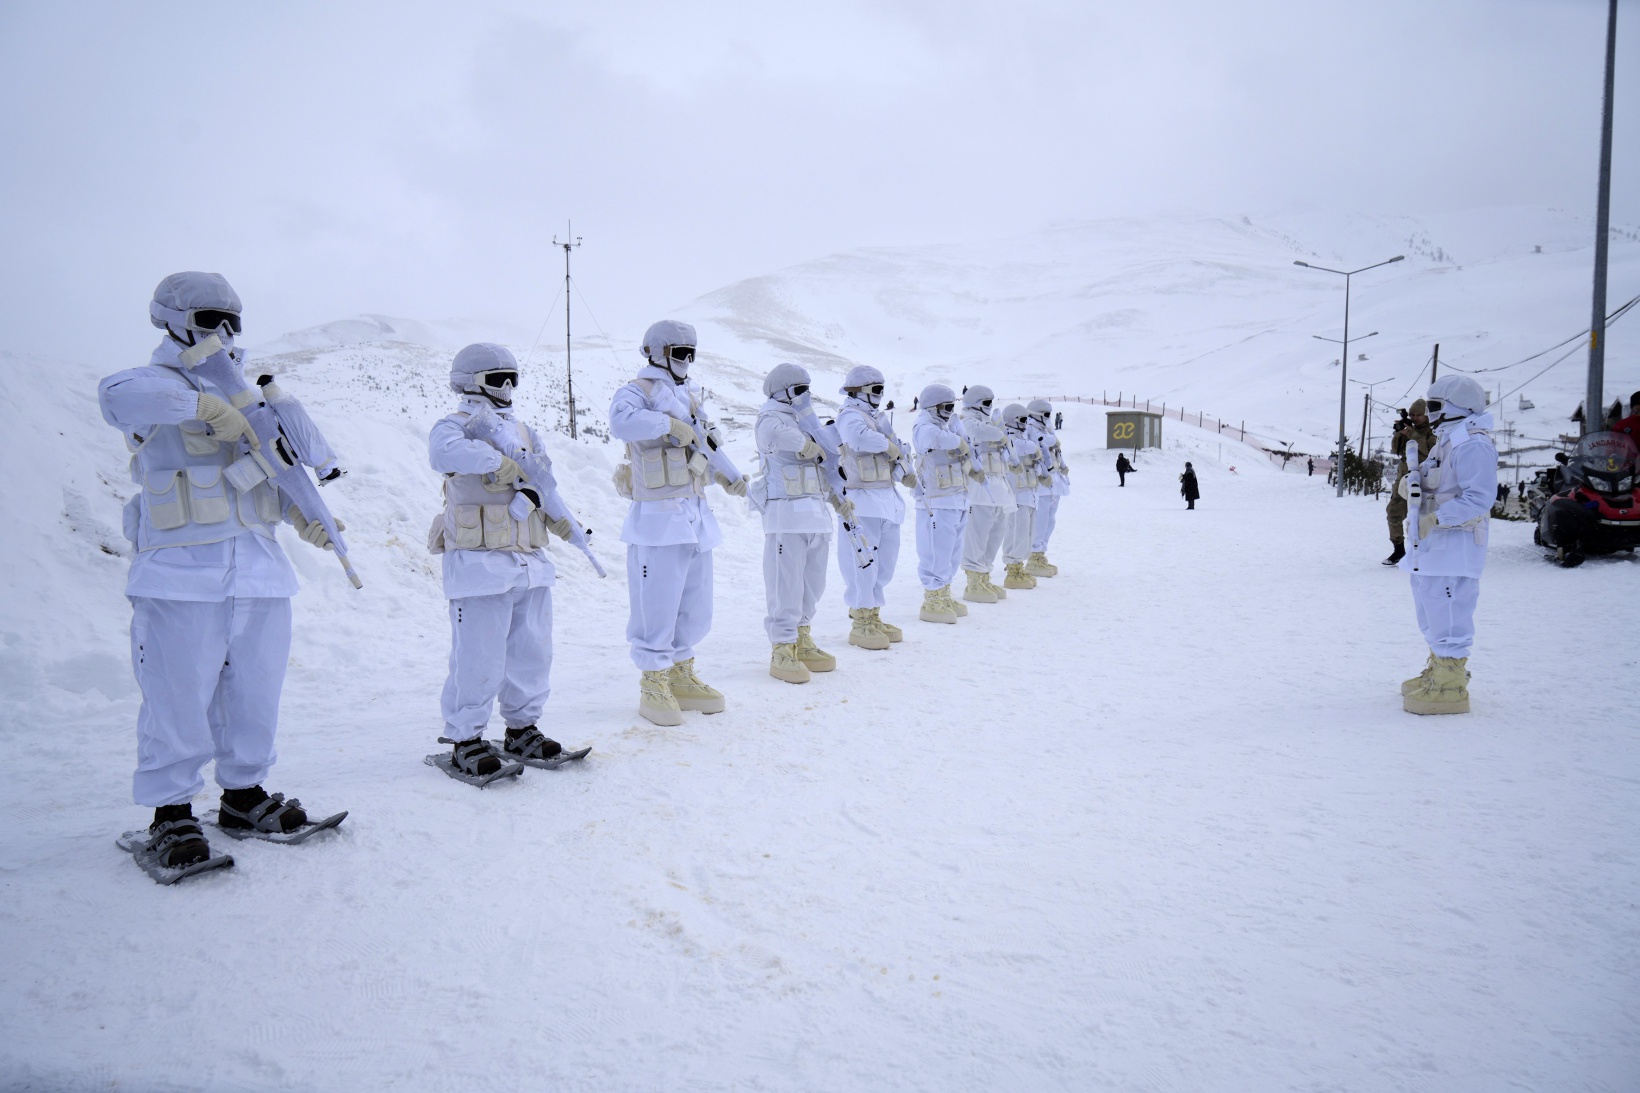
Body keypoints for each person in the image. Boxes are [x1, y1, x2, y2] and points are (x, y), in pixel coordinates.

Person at [97, 272, 337, 875]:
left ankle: (244, 795)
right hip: (180, 574)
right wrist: (204, 403)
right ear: (171, 318)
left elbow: (276, 472)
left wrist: (299, 516)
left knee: (254, 695)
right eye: (210, 318)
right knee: (176, 699)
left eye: (233, 320)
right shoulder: (151, 383)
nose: (224, 332)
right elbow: (115, 396)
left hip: (259, 574)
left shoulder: (249, 393)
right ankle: (171, 813)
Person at [426, 343, 590, 781]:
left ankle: (522, 727)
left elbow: (542, 480)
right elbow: (442, 454)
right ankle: (466, 738)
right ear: (471, 381)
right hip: (479, 565)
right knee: (478, 657)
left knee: (531, 653)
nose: (507, 387)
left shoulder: (522, 429)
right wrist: (495, 461)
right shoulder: (454, 425)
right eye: (498, 379)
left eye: (512, 378)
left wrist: (564, 523)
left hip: (529, 563)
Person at [608, 320, 747, 726]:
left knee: (695, 600)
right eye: (679, 353)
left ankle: (681, 672)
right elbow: (621, 423)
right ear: (656, 352)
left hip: (694, 515)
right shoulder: (637, 392)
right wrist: (668, 424)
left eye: (691, 354)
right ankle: (653, 680)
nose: (686, 361)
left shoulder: (688, 397)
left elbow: (707, 442)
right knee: (658, 602)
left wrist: (728, 475)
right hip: (656, 517)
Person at [1400, 374, 1497, 715]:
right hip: (1431, 546)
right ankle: (1438, 666)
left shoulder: (1473, 444)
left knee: (1451, 610)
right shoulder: (1449, 440)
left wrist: (1437, 518)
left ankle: (1450, 683)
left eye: (1436, 406)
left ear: (1459, 406)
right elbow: (1433, 480)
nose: (1431, 413)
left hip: (1454, 547)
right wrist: (1410, 487)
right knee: (1431, 608)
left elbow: (1479, 497)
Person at [752, 363, 841, 683]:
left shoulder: (807, 420)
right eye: (799, 389)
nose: (806, 395)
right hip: (786, 515)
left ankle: (802, 638)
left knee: (812, 584)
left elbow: (825, 465)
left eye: (808, 389)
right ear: (783, 391)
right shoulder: (771, 417)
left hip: (815, 513)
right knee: (785, 583)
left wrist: (837, 497)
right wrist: (805, 443)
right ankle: (782, 646)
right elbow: (772, 437)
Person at [834, 365, 910, 650]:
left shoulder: (877, 417)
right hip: (862, 499)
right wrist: (888, 446)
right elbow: (859, 439)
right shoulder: (850, 415)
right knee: (862, 562)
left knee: (885, 563)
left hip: (886, 498)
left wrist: (904, 468)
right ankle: (861, 618)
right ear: (860, 390)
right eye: (876, 390)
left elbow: (897, 447)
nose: (880, 395)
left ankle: (874, 612)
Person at [911, 383, 971, 623]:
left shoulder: (946, 427)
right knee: (936, 551)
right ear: (933, 406)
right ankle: (932, 597)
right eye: (945, 406)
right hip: (936, 501)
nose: (949, 410)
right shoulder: (924, 426)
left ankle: (944, 590)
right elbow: (933, 438)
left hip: (956, 496)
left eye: (952, 406)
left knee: (953, 552)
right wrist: (959, 440)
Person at [958, 385, 1017, 604]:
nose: (989, 406)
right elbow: (978, 432)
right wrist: (1000, 432)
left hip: (998, 485)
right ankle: (973, 579)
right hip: (979, 487)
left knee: (996, 532)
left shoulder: (991, 423)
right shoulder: (967, 421)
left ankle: (984, 575)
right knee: (977, 533)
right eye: (986, 402)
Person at [1383, 401, 1435, 565]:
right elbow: (1397, 451)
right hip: (1404, 477)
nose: (1414, 418)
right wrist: (1399, 434)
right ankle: (1398, 549)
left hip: (1427, 479)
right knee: (1393, 512)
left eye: (1418, 415)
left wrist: (1412, 434)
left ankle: (1427, 551)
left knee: (1425, 516)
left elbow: (1430, 451)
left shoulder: (1433, 430)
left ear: (1426, 415)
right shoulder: (1409, 429)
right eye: (1412, 415)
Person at [1024, 398, 1069, 576]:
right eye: (1046, 414)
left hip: (1054, 480)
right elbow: (1041, 444)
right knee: (1040, 519)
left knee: (1050, 519)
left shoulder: (1046, 429)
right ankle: (1034, 555)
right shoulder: (1030, 429)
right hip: (1040, 481)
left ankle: (1040, 553)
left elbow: (1053, 447)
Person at [1000, 403, 1041, 589]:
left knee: (1028, 534)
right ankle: (1012, 567)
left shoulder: (1024, 437)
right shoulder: (1008, 438)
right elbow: (1022, 448)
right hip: (1016, 494)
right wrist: (1035, 447)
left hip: (1029, 491)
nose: (1026, 423)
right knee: (1017, 532)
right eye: (1023, 419)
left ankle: (1019, 565)